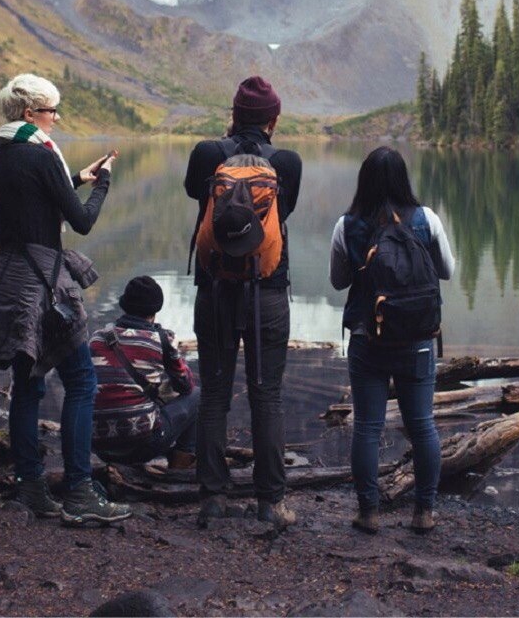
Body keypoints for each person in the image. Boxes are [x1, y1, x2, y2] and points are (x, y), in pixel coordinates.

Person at [0, 73, 131, 526]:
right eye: (51, 111)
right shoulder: (42, 157)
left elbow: (28, 201)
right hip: (45, 283)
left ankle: (29, 486)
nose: (56, 118)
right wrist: (102, 183)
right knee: (82, 382)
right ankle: (80, 492)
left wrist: (73, 178)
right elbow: (82, 222)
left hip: (7, 276)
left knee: (27, 385)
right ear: (30, 114)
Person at [184, 75, 302, 528]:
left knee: (214, 393)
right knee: (266, 395)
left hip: (214, 289)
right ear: (273, 119)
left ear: (233, 114)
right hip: (267, 289)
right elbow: (283, 213)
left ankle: (212, 499)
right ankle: (270, 502)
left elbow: (196, 193)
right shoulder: (287, 162)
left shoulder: (207, 154)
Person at [329, 146, 455, 535]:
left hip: (369, 340)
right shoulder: (426, 220)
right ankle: (424, 513)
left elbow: (338, 282)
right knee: (422, 425)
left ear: (363, 180)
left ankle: (368, 513)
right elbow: (447, 271)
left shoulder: (347, 225)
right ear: (404, 179)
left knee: (367, 426)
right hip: (416, 340)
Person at [90, 276, 199, 468]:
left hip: (98, 446)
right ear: (155, 310)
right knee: (197, 395)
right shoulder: (161, 339)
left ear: (124, 306)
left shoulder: (97, 338)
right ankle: (181, 465)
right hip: (143, 446)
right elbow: (185, 385)